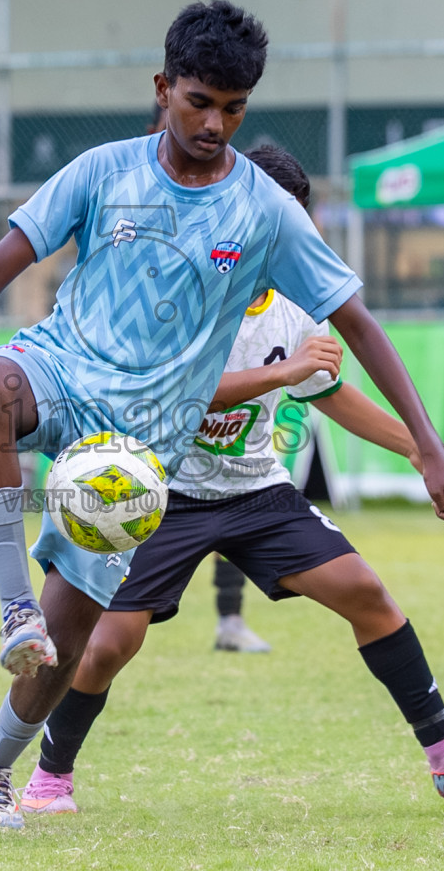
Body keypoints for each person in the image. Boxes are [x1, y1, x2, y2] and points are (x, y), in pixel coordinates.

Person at [0, 0, 444, 829]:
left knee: (73, 640)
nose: (215, 124)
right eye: (199, 102)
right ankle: (10, 606)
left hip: (144, 442)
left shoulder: (265, 211)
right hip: (61, 372)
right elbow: (3, 259)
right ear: (163, 87)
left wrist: (429, 447)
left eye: (234, 109)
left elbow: (358, 324)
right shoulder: (102, 170)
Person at [18, 145, 444, 817]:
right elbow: (178, 395)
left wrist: (421, 448)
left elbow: (332, 393)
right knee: (110, 643)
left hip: (257, 492)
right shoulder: (181, 292)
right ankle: (49, 778)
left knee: (366, 592)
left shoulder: (297, 308)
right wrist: (281, 375)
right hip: (164, 492)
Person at [147, 98, 271, 655]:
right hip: (148, 431)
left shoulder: (240, 209)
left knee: (239, 481)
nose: (211, 126)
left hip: (223, 454)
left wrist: (420, 447)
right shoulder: (131, 199)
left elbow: (335, 391)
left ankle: (229, 620)